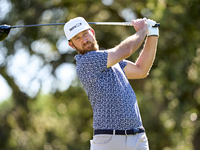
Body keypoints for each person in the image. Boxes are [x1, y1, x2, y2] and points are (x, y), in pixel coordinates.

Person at [64, 17, 159, 150]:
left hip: (137, 138)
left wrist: (153, 34)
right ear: (71, 45)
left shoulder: (110, 59)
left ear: (92, 32)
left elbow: (141, 70)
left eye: (85, 34)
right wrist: (143, 30)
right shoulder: (86, 62)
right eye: (77, 38)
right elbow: (126, 50)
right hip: (109, 140)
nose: (84, 40)